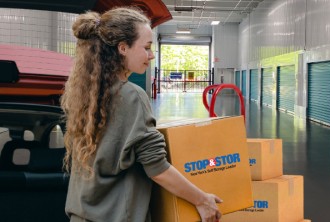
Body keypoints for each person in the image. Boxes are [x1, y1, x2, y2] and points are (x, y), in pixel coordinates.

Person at [61, 7, 222, 222]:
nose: (152, 54)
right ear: (123, 48)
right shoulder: (131, 95)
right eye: (146, 47)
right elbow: (157, 168)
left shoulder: (86, 95)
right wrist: (202, 200)